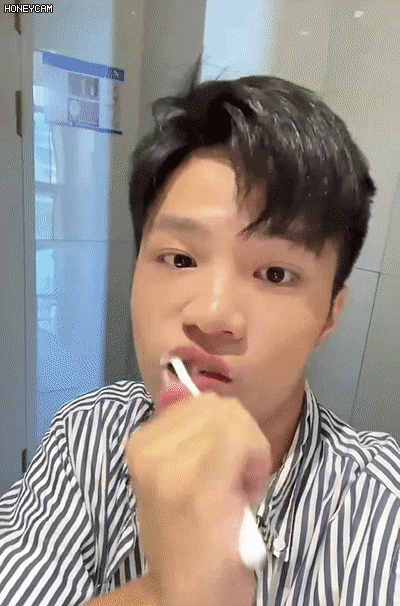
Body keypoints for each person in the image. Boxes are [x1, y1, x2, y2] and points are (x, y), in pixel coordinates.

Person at [1, 68, 399, 606]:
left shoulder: (382, 509)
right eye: (180, 259)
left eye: (275, 273)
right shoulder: (86, 441)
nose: (211, 315)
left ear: (331, 314)